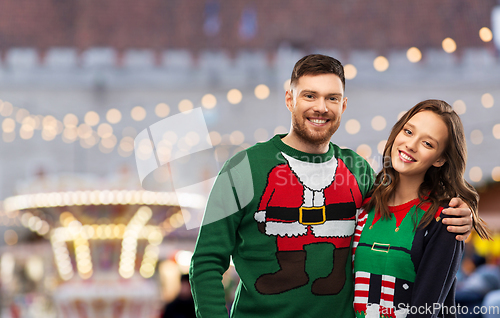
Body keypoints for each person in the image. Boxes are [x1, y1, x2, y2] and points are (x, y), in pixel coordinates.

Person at [190, 54, 473, 318]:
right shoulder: (241, 168)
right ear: (289, 99)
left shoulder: (359, 169)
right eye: (309, 95)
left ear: (343, 105)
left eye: (332, 98)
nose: (321, 107)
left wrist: (460, 213)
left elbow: (403, 203)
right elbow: (206, 262)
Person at [352, 100, 491, 318]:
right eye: (408, 132)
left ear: (440, 159)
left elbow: (425, 313)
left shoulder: (444, 221)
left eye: (428, 144)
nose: (411, 145)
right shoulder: (363, 204)